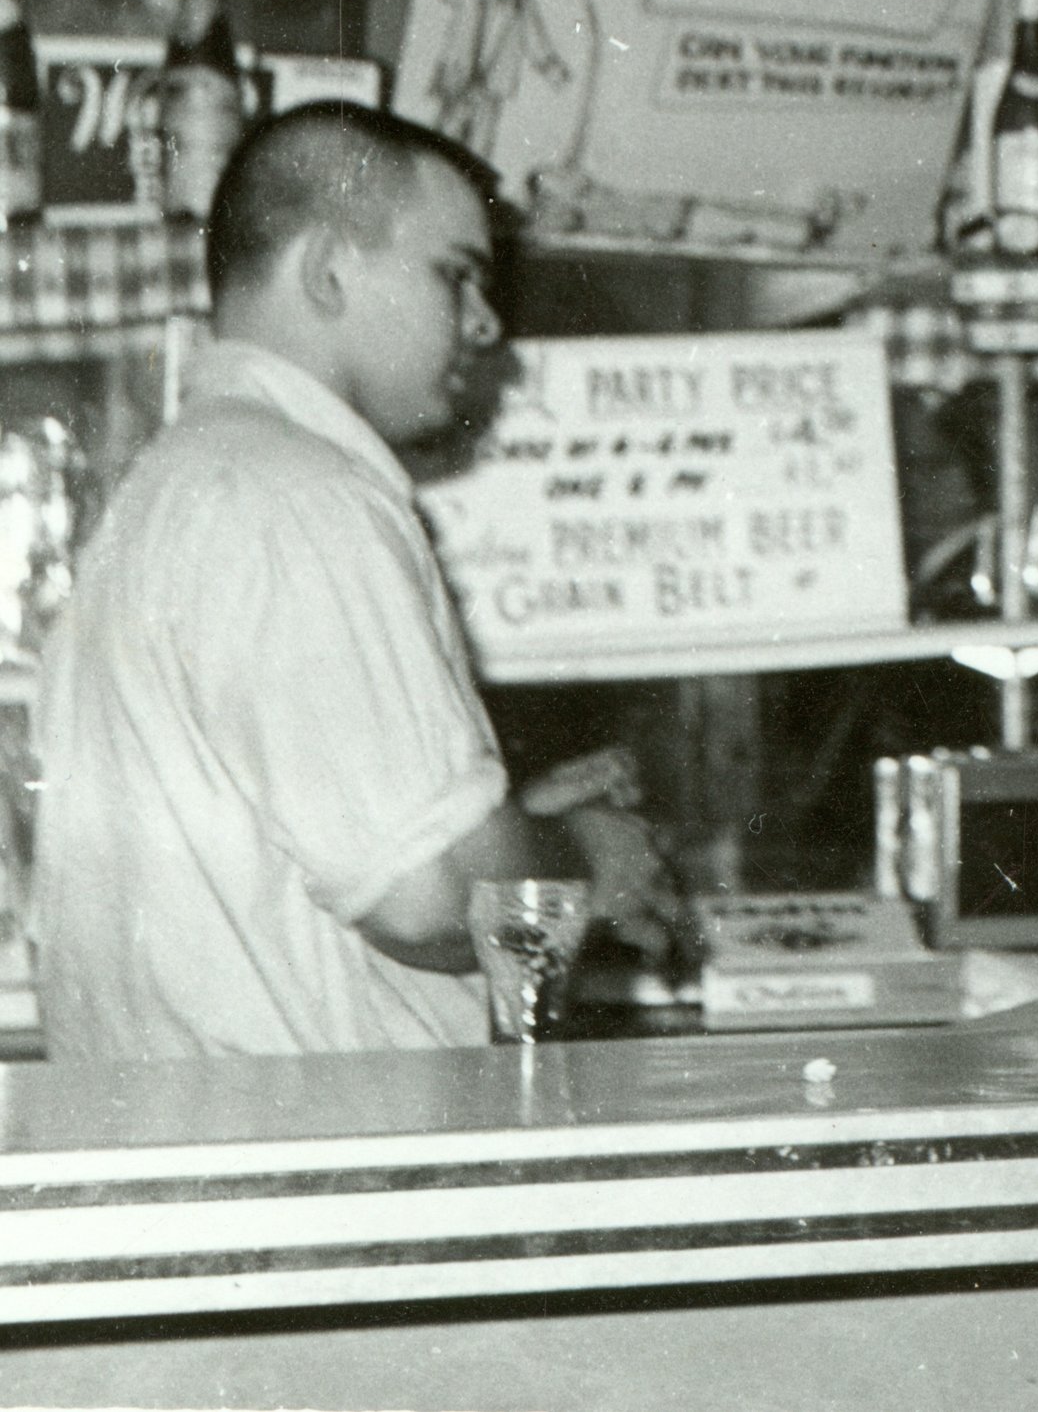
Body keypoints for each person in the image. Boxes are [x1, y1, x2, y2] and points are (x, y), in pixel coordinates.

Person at [35, 101, 675, 1059]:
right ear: (330, 270)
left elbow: (282, 863)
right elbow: (428, 902)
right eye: (454, 274)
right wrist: (587, 857)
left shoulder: (184, 485)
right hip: (319, 1173)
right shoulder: (301, 501)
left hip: (206, 1160)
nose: (486, 321)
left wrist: (502, 827)